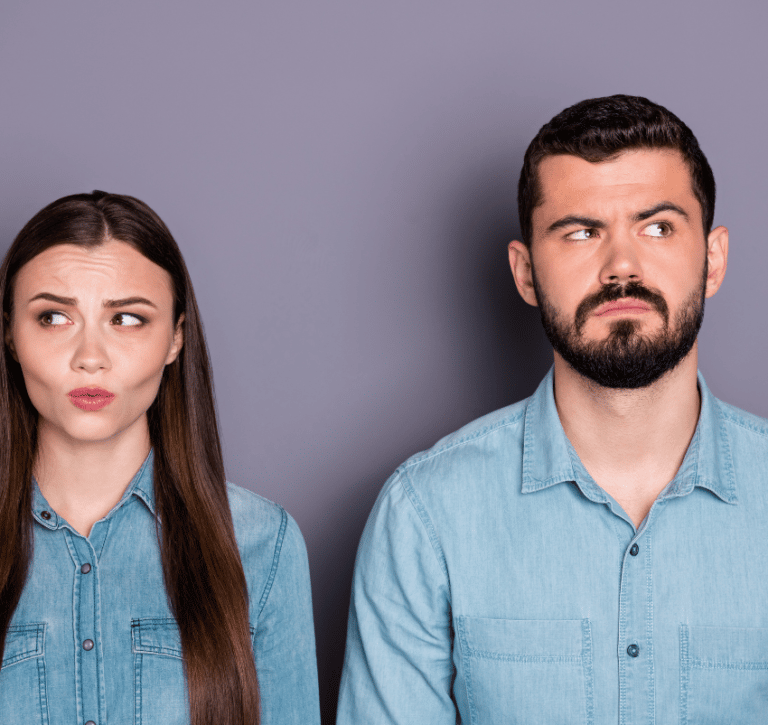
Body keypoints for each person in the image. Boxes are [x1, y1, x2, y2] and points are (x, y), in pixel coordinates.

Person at [337, 95, 768, 724]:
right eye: (582, 232)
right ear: (526, 272)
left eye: (657, 227)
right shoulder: (426, 516)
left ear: (714, 258)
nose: (622, 266)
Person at [0, 192, 320, 725]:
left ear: (175, 338)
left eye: (126, 319)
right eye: (54, 317)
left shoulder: (263, 546)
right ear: (10, 335)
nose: (90, 358)